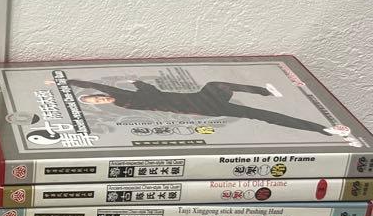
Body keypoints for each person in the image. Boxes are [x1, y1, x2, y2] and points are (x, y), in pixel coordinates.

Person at [66, 78, 351, 137]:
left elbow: (96, 84)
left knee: (218, 85)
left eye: (97, 97)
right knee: (262, 116)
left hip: (197, 98)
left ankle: (265, 91)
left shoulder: (119, 95)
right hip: (201, 108)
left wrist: (66, 81)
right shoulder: (125, 102)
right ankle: (323, 129)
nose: (100, 99)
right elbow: (151, 95)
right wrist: (141, 86)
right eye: (97, 102)